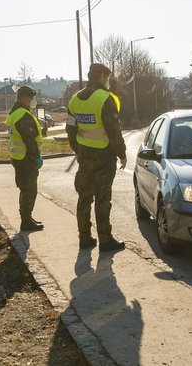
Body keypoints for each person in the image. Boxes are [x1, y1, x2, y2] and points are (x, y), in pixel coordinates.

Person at [66, 63, 127, 252]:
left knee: (84, 198)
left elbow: (70, 128)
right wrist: (122, 153)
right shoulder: (105, 99)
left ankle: (84, 238)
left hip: (85, 156)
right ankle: (105, 239)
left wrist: (78, 149)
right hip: (104, 156)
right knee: (102, 199)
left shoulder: (74, 100)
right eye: (106, 77)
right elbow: (113, 130)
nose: (107, 80)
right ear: (101, 76)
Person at [6, 85, 44, 232]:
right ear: (24, 98)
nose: (33, 101)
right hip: (26, 158)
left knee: (25, 189)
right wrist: (36, 157)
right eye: (31, 98)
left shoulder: (13, 113)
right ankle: (26, 221)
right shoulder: (23, 115)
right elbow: (30, 139)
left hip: (17, 156)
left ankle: (27, 217)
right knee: (30, 190)